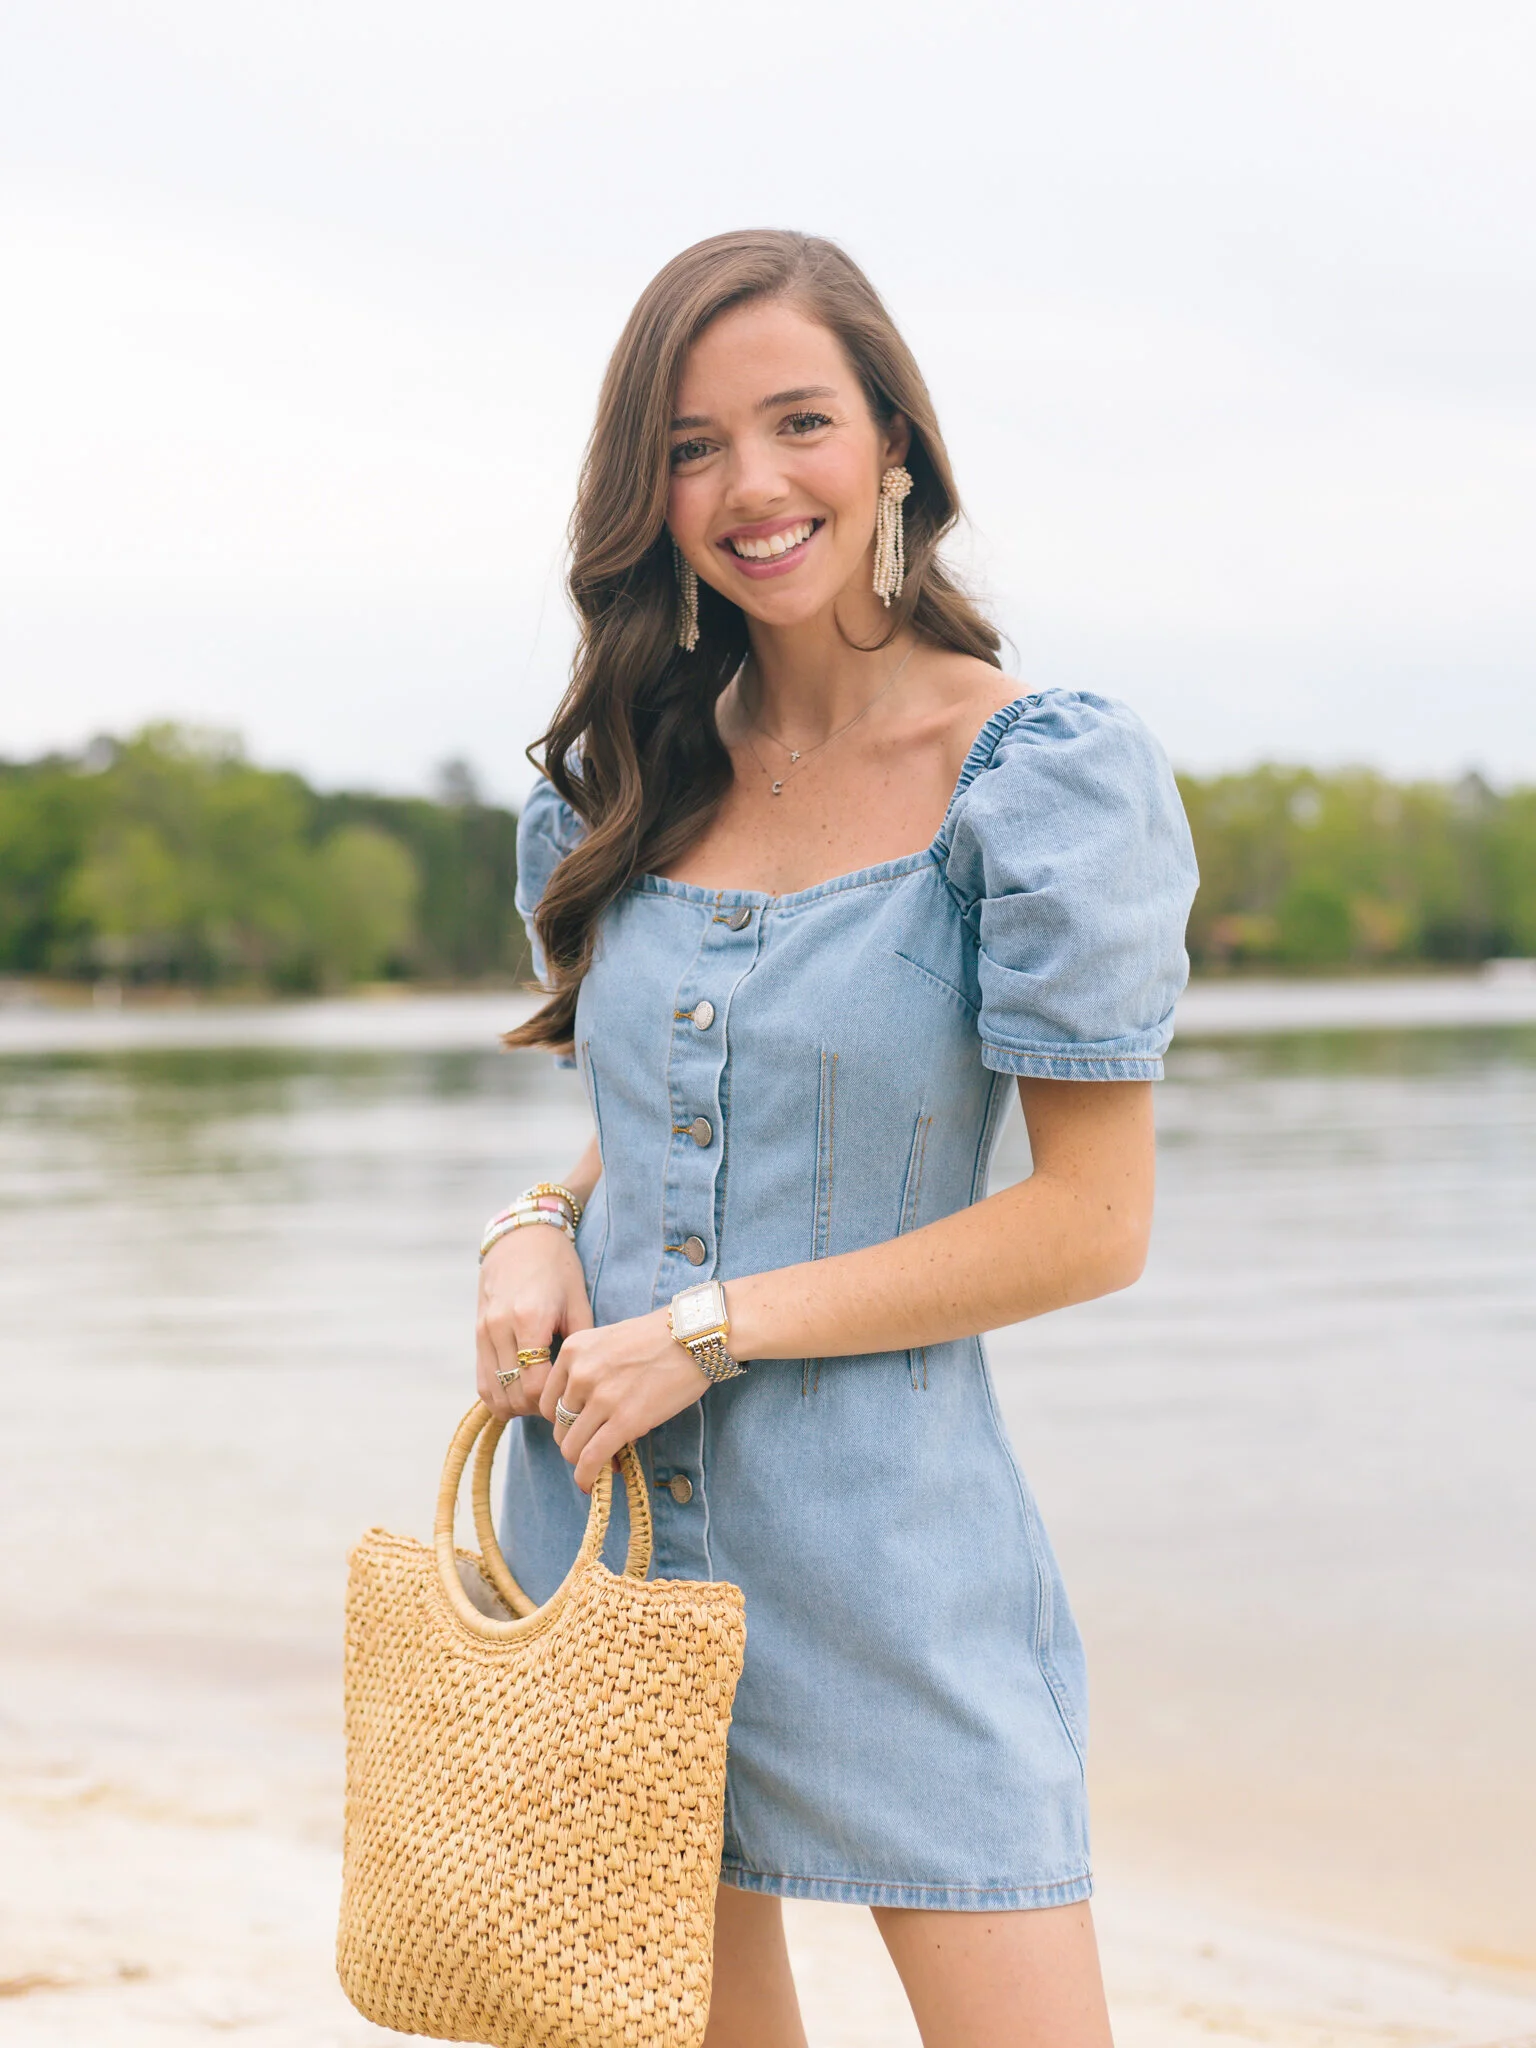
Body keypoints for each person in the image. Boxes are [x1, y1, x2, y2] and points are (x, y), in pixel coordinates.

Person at [477, 229, 1198, 2048]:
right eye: (692, 446)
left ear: (895, 446)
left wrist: (713, 1329)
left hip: (892, 1555)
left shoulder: (1039, 776)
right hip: (613, 1515)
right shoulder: (620, 782)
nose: (751, 485)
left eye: (798, 420)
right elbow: (650, 1128)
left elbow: (1091, 1223)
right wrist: (531, 1219)